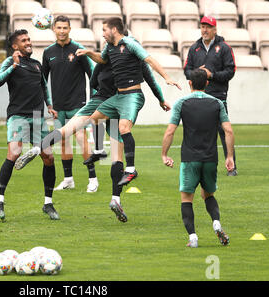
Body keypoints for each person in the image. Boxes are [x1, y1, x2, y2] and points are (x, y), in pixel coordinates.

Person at [16, 17, 177, 191]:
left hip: (123, 100)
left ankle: (116, 186)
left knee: (118, 147)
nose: (102, 35)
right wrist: (88, 54)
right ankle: (39, 149)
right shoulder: (107, 52)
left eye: (104, 31)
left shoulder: (131, 54)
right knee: (78, 126)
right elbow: (95, 73)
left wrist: (163, 91)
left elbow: (150, 76)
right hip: (104, 101)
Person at [16, 55, 167, 222]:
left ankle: (37, 148)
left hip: (98, 100)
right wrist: (161, 100)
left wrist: (99, 98)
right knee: (117, 155)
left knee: (67, 129)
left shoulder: (105, 60)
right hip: (119, 103)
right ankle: (115, 199)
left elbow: (93, 82)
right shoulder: (135, 62)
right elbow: (151, 81)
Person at [0, 29, 59, 220]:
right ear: (15, 46)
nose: (28, 42)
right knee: (14, 153)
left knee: (49, 158)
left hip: (38, 117)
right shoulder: (10, 61)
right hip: (18, 116)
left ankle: (48, 203)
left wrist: (50, 106)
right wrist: (13, 65)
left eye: (29, 39)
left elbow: (44, 87)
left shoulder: (37, 65)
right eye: (24, 40)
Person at [161, 69, 233, 248]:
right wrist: (229, 156)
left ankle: (193, 238)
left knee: (187, 198)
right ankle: (216, 222)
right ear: (207, 84)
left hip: (189, 159)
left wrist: (164, 154)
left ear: (190, 83)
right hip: (210, 158)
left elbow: (170, 131)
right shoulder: (217, 103)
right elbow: (228, 131)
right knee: (208, 194)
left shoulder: (181, 103)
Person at [42, 15, 99, 193]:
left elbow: (93, 76)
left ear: (69, 29)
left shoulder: (79, 50)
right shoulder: (48, 52)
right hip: (59, 106)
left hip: (79, 104)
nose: (62, 31)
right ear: (53, 29)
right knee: (64, 142)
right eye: (59, 28)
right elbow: (43, 81)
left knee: (82, 139)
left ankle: (93, 179)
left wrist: (93, 102)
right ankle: (68, 179)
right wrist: (49, 104)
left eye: (65, 28)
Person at [183, 16, 237, 176]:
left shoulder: (224, 47)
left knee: (224, 130)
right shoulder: (194, 48)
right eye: (203, 26)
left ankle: (232, 166)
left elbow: (231, 71)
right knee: (197, 130)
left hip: (218, 95)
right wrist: (196, 74)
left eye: (208, 27)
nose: (204, 30)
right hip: (198, 95)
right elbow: (186, 70)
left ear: (215, 29)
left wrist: (211, 75)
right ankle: (198, 165)